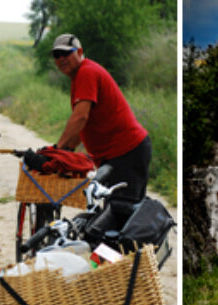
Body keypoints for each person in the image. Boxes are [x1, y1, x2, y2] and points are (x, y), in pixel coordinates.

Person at [51, 33, 150, 205]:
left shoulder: (86, 72)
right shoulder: (80, 76)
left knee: (120, 213)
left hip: (126, 152)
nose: (61, 59)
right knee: (115, 212)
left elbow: (80, 117)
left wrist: (57, 152)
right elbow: (83, 125)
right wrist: (65, 151)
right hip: (117, 155)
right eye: (57, 55)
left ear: (80, 52)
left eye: (66, 53)